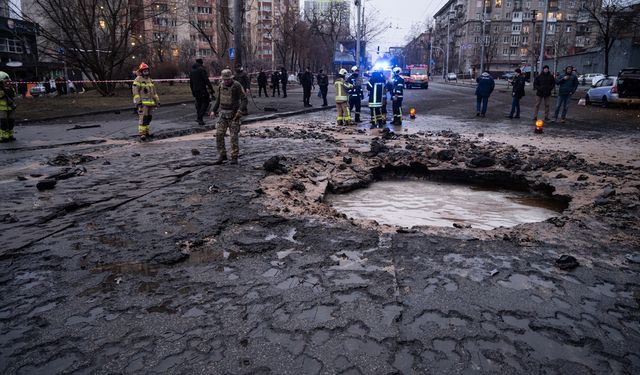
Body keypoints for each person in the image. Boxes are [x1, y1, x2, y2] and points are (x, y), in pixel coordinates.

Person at [211, 69, 248, 165]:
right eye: (225, 79)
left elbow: (244, 99)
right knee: (219, 134)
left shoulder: (236, 85)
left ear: (231, 78)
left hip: (234, 115)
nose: (226, 81)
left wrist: (240, 111)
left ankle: (234, 156)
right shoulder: (221, 86)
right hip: (223, 114)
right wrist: (213, 110)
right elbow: (218, 99)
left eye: (228, 79)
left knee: (233, 136)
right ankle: (222, 155)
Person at [132, 62, 160, 141]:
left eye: (147, 71)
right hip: (143, 104)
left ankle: (147, 132)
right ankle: (142, 133)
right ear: (141, 72)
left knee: (148, 118)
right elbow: (135, 91)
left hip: (150, 103)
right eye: (144, 71)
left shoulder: (150, 80)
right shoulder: (138, 79)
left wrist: (157, 101)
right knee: (143, 118)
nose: (146, 72)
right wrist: (138, 101)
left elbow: (154, 93)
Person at [189, 58, 215, 126]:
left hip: (195, 90)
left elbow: (191, 82)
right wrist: (211, 89)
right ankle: (200, 118)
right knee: (206, 102)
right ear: (201, 63)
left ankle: (199, 119)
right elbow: (206, 80)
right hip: (202, 90)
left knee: (199, 104)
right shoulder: (201, 70)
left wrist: (193, 91)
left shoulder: (192, 71)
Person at [0, 71, 17, 142]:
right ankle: (3, 136)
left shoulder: (10, 88)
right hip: (2, 108)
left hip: (11, 108)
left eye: (7, 81)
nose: (7, 83)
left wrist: (9, 90)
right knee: (3, 123)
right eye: (5, 81)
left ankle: (10, 135)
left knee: (11, 122)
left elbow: (14, 95)